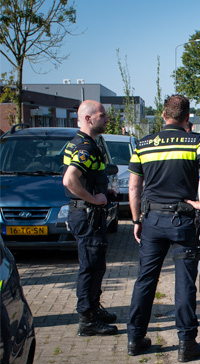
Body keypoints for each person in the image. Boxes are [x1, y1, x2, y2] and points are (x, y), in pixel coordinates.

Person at [126, 95, 200, 362]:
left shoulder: (143, 144)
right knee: (184, 282)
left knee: (146, 280)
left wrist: (136, 220)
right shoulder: (195, 141)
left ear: (163, 115)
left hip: (152, 221)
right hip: (182, 222)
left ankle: (135, 338)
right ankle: (186, 343)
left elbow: (134, 187)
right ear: (187, 118)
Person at [62, 100, 118, 336]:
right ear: (88, 118)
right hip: (87, 214)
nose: (106, 119)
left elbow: (86, 177)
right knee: (90, 268)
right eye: (102, 115)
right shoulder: (85, 147)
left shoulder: (79, 143)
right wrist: (94, 199)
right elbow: (69, 179)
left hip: (85, 213)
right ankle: (87, 319)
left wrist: (106, 192)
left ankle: (94, 308)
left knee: (97, 266)